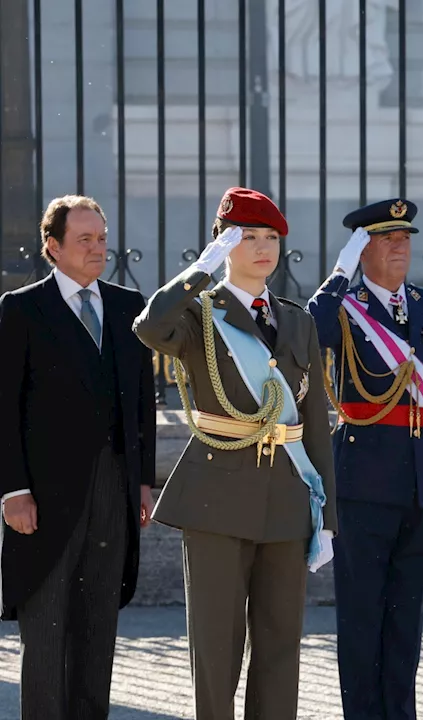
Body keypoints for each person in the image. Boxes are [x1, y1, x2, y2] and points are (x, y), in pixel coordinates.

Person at [133, 187, 337, 720]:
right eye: (248, 237)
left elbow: (314, 424)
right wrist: (198, 273)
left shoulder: (297, 320)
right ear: (223, 244)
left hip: (287, 502)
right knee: (217, 649)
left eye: (270, 237)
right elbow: (149, 328)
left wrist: (328, 516)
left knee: (280, 649)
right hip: (216, 499)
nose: (263, 248)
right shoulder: (199, 312)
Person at [307, 198, 423, 720]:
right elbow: (311, 333)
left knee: (406, 618)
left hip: (422, 480)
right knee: (361, 616)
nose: (400, 247)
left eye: (405, 238)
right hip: (363, 480)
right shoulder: (346, 306)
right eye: (385, 239)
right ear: (362, 248)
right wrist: (339, 272)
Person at [0, 195, 157, 720]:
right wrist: (13, 490)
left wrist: (143, 483)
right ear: (53, 245)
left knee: (97, 630)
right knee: (45, 638)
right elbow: (4, 407)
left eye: (102, 238)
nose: (98, 249)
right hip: (43, 499)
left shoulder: (127, 306)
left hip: (113, 490)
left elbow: (141, 404)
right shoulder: (21, 309)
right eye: (85, 240)